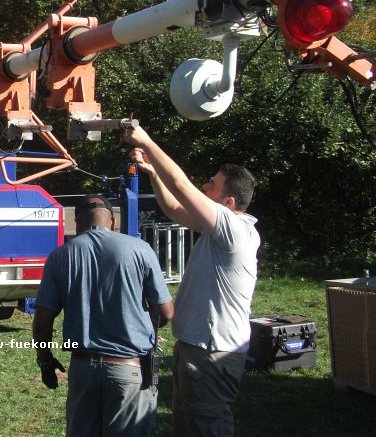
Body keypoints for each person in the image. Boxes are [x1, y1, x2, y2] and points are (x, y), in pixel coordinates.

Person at [123, 125, 259, 437]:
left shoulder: (235, 231)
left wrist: (146, 140)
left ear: (229, 203)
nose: (204, 186)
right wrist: (153, 174)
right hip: (196, 348)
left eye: (212, 184)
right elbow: (174, 207)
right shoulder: (219, 231)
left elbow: (182, 186)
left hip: (212, 353)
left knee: (206, 428)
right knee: (187, 425)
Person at [33, 194, 174, 437]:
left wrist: (45, 360)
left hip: (82, 368)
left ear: (77, 223)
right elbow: (165, 312)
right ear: (113, 223)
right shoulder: (140, 249)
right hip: (128, 369)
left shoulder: (59, 256)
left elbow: (43, 320)